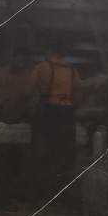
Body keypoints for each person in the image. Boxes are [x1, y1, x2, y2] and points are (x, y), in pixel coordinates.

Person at [30, 39, 81, 198]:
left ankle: (42, 194)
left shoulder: (43, 67)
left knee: (44, 151)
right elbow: (77, 91)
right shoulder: (72, 70)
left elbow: (29, 88)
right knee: (64, 153)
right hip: (67, 111)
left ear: (49, 51)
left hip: (49, 110)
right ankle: (61, 195)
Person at [0, 46, 36, 123]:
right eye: (19, 60)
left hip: (17, 117)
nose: (21, 64)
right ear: (13, 58)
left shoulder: (27, 78)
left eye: (25, 61)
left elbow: (30, 98)